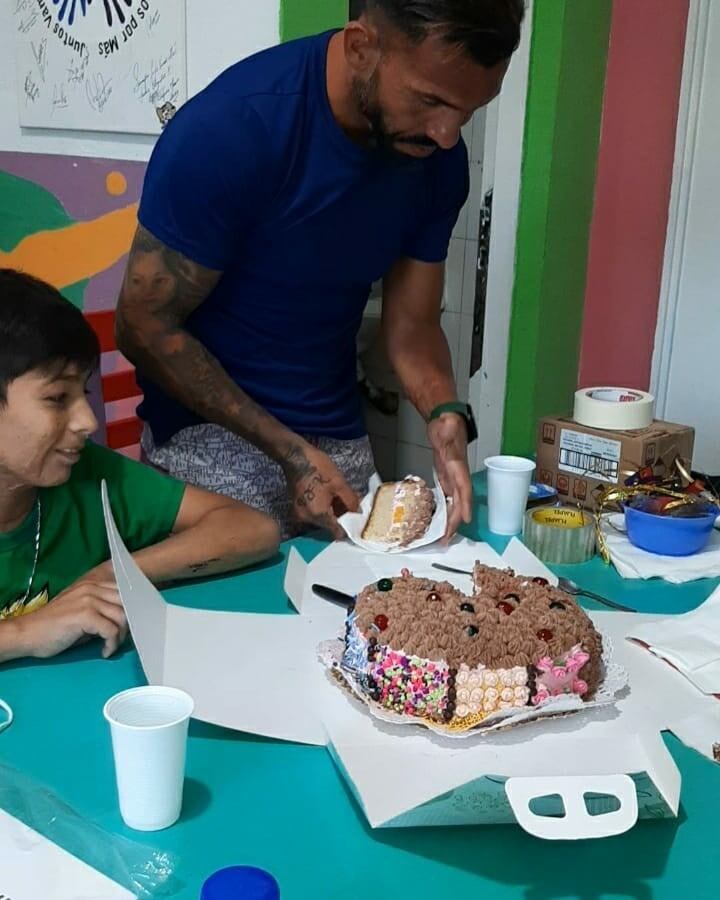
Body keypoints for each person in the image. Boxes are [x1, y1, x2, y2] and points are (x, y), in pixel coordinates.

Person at [115, 0, 525, 540]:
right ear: (361, 47)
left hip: (333, 432)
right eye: (430, 101)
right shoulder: (235, 130)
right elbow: (142, 326)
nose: (448, 134)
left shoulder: (434, 160)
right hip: (207, 436)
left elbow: (413, 326)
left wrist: (445, 413)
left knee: (383, 605)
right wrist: (289, 453)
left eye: (468, 112)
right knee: (244, 609)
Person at [0, 270, 280, 664]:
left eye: (83, 393)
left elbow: (254, 530)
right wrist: (27, 632)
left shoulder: (91, 477)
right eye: (57, 397)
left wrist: (110, 575)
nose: (87, 421)